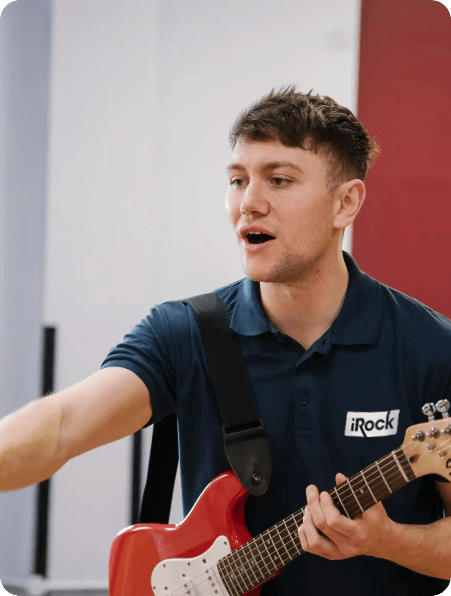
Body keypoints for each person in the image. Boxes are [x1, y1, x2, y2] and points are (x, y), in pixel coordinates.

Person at [1, 85, 450, 595]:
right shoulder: (183, 333)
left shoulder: (430, 348)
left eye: (279, 180)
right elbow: (62, 426)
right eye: (237, 181)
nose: (248, 204)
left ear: (345, 202)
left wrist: (385, 540)